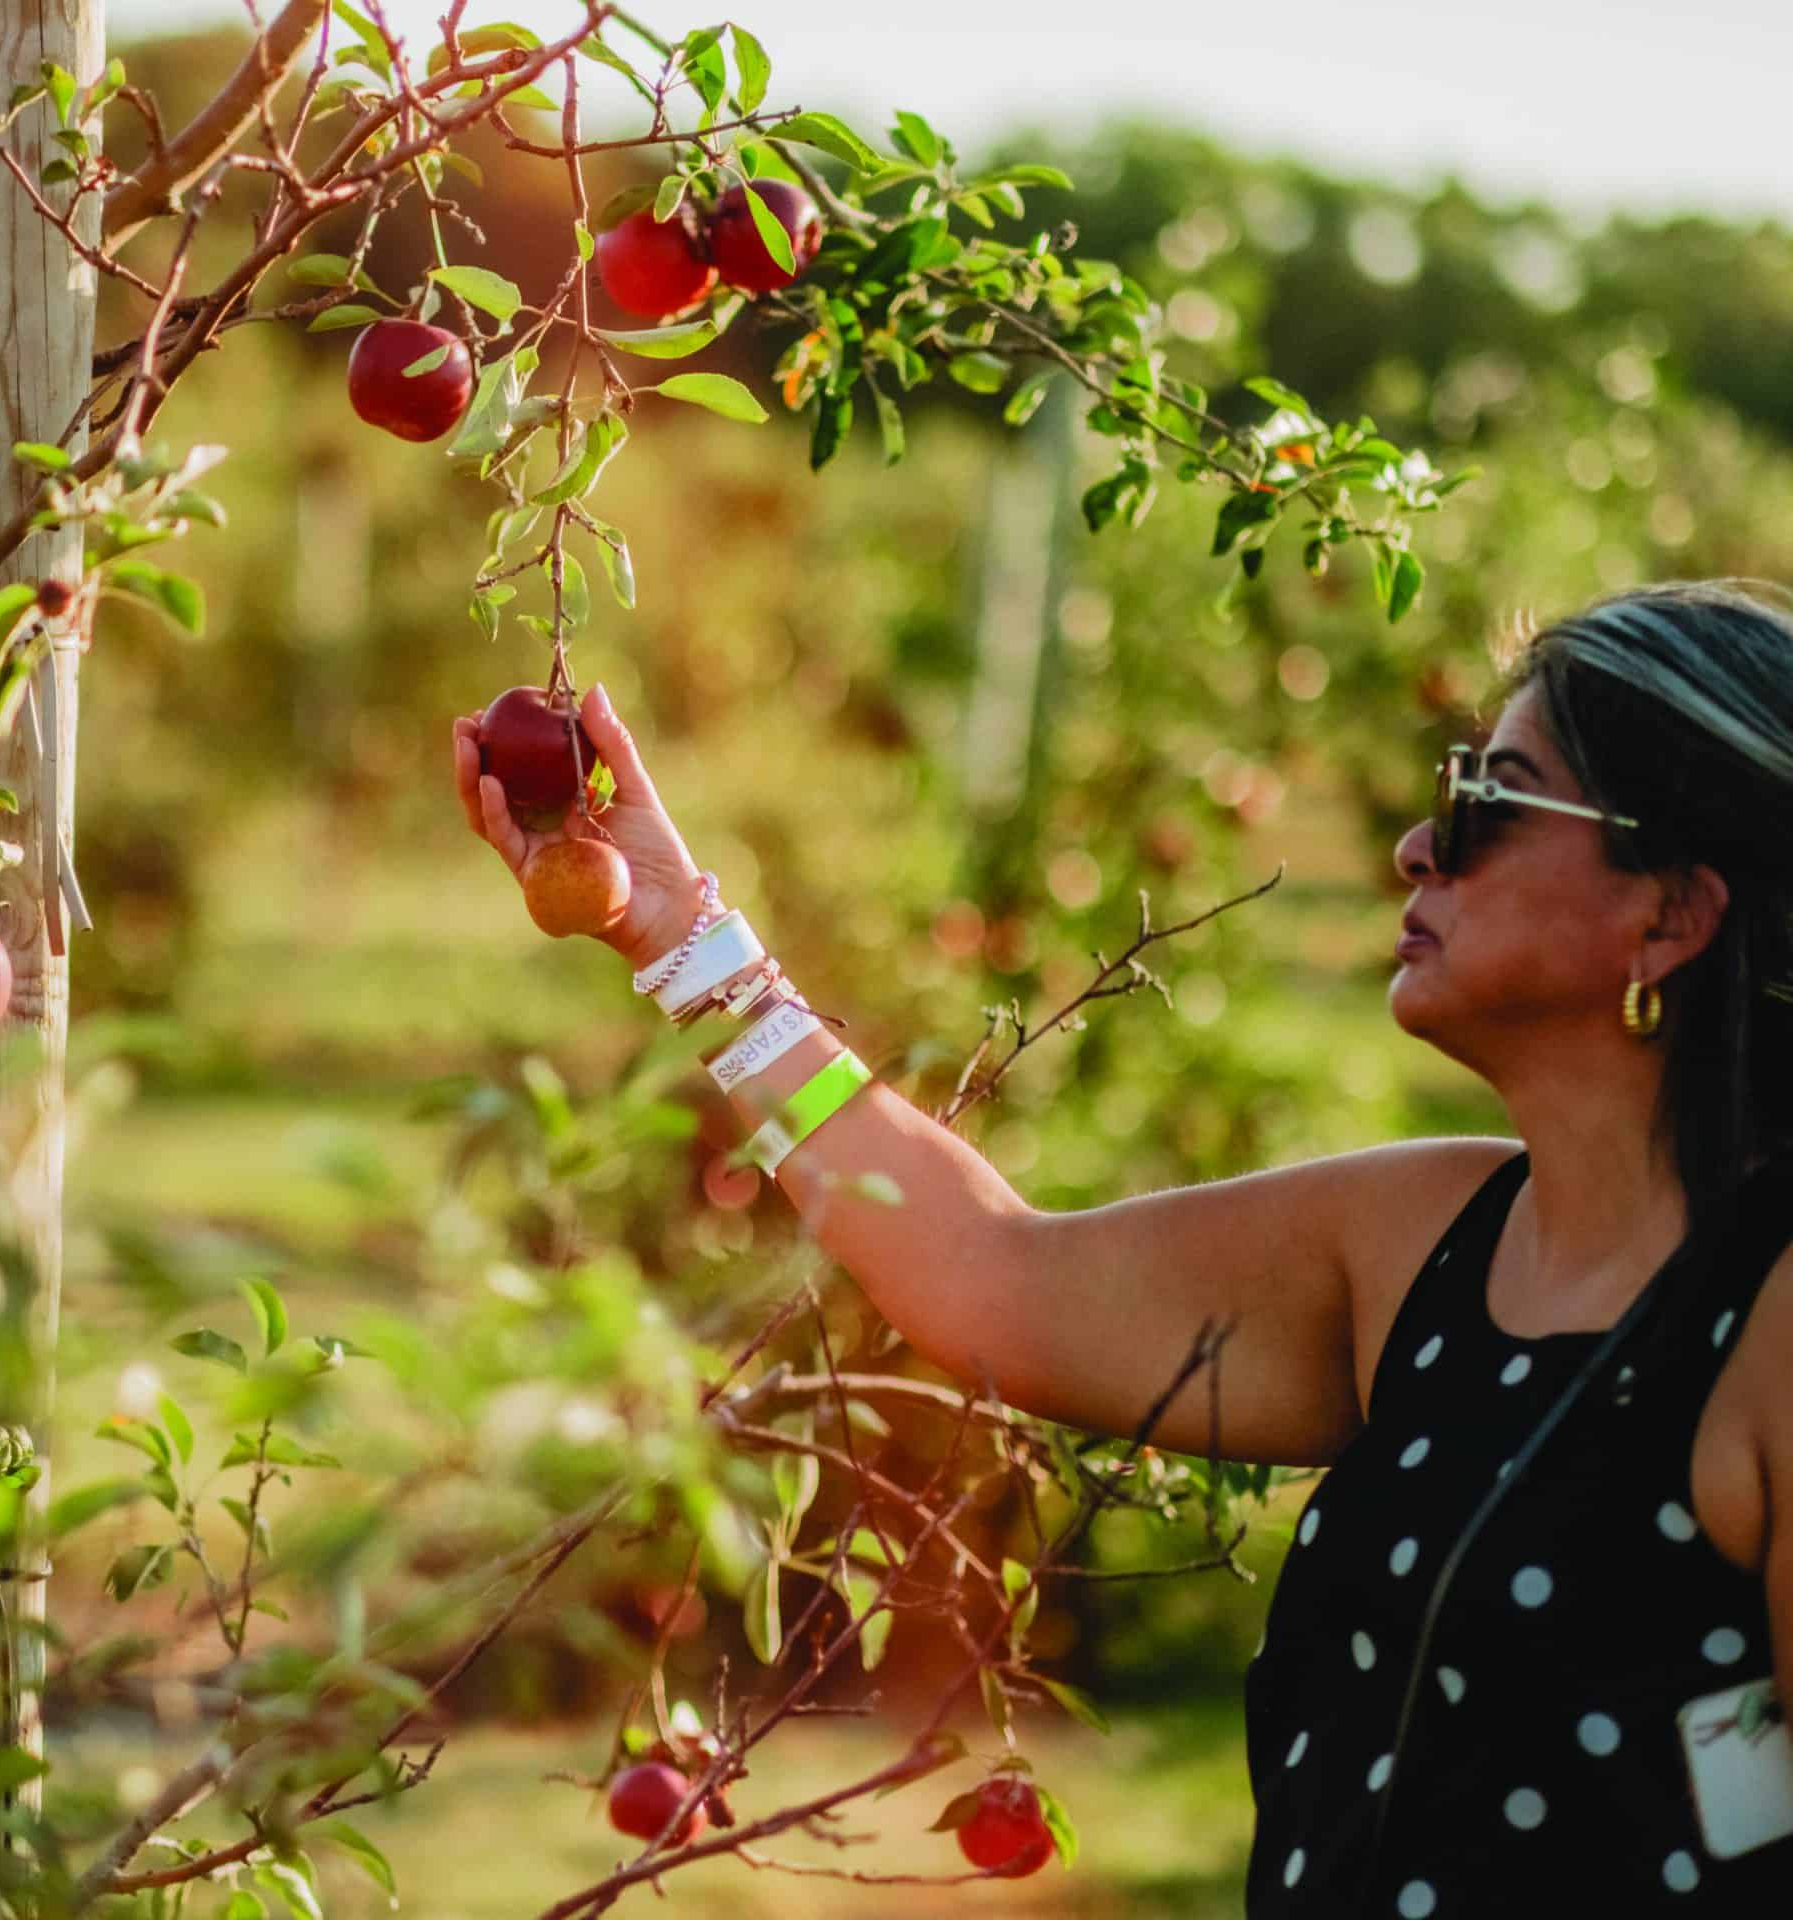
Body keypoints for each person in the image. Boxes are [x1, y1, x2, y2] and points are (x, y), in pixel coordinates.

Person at [454, 578, 1793, 1913]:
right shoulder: (1423, 1249)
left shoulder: (1772, 1329)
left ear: (1670, 914)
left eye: (1490, 800)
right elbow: (988, 1274)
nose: (1416, 848)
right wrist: (683, 934)